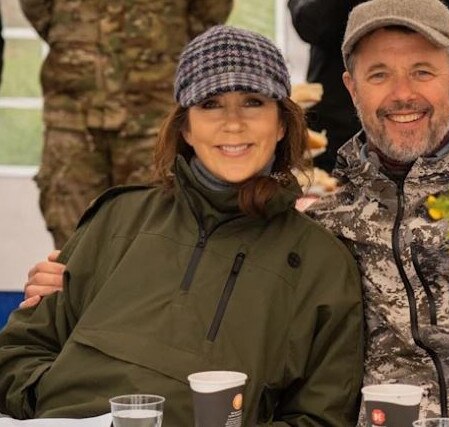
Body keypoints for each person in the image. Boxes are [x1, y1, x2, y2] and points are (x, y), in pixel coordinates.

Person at [0, 26, 364, 426]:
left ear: (281, 124)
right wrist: (48, 400)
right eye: (210, 104)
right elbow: (18, 352)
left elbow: (321, 417)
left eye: (252, 102)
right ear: (186, 128)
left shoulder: (322, 263)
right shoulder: (117, 217)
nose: (233, 123)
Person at [307, 0, 449, 424]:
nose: (402, 94)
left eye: (422, 71)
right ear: (352, 88)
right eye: (379, 74)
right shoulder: (324, 224)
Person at [19, 0, 233, 249]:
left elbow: (209, 12)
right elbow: (37, 7)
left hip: (152, 116)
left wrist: (164, 45)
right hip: (74, 114)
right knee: (73, 243)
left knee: (156, 238)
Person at [288, 0, 449, 173]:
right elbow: (308, 22)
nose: (402, 94)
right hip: (335, 130)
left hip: (430, 133)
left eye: (422, 71)